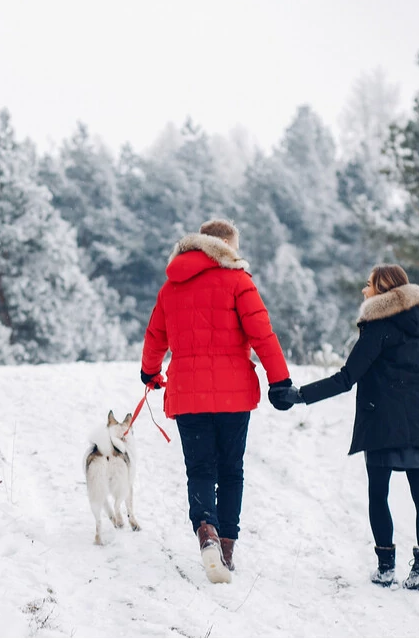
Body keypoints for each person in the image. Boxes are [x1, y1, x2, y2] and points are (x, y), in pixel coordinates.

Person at [270, 264, 419, 591]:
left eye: (369, 285)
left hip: (383, 423)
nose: (364, 290)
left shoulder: (378, 329)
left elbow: (346, 378)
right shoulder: (418, 330)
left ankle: (385, 567)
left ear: (383, 290)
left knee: (379, 494)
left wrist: (300, 395)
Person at [140, 219, 292, 584]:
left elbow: (155, 335)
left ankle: (205, 529)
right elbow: (262, 333)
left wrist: (150, 373)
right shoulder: (238, 281)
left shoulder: (171, 285)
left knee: (201, 470)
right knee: (231, 471)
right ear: (225, 247)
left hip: (188, 393)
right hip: (233, 393)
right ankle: (225, 548)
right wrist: (280, 380)